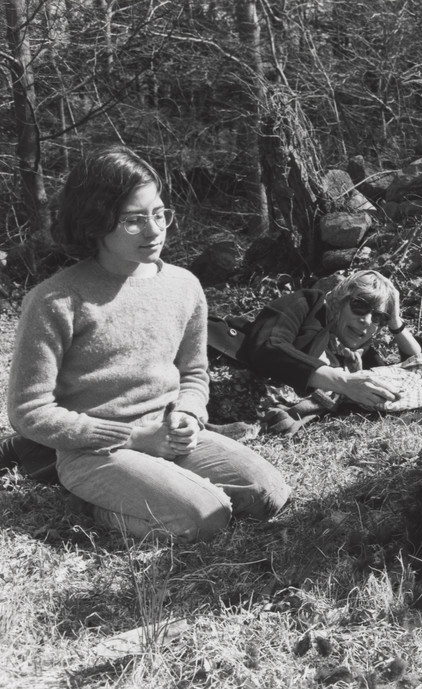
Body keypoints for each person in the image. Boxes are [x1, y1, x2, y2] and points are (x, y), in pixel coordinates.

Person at [6, 145, 290, 541]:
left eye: (159, 213)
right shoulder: (54, 300)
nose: (155, 230)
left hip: (170, 436)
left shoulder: (183, 286)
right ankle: (91, 505)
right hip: (95, 453)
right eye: (134, 220)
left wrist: (189, 414)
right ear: (96, 221)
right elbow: (28, 411)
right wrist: (133, 438)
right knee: (207, 518)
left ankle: (164, 487)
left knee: (269, 494)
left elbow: (194, 373)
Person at [220, 269, 422, 431]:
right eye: (359, 306)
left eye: (378, 317)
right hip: (220, 370)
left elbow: (418, 368)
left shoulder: (358, 357)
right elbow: (268, 347)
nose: (366, 320)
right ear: (340, 302)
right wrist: (343, 382)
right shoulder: (307, 304)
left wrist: (395, 322)